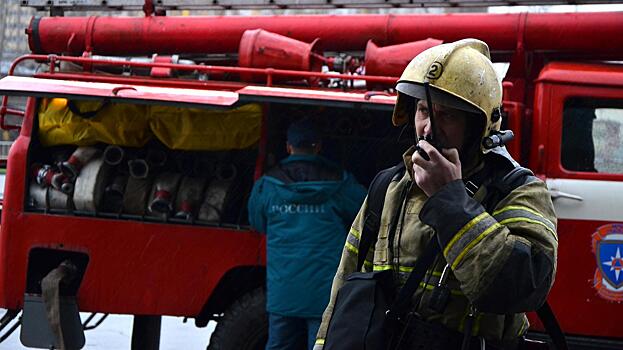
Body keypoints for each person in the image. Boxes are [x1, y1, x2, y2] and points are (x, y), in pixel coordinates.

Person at [315, 39, 558, 349]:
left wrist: (451, 200)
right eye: (422, 111)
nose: (428, 129)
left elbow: (523, 288)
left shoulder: (518, 191)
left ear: (479, 126)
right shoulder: (388, 187)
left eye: (447, 116)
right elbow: (344, 287)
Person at [248, 119, 367, 350]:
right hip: (324, 292)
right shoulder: (340, 183)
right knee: (322, 345)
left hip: (284, 290)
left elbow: (257, 223)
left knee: (279, 345)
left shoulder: (267, 185)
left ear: (288, 147)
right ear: (318, 146)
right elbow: (364, 215)